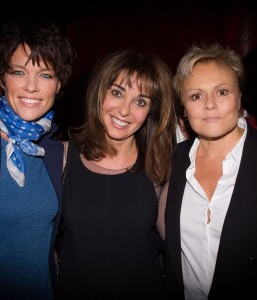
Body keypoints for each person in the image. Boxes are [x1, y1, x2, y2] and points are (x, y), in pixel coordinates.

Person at [0, 17, 75, 299]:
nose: (31, 87)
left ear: (59, 84)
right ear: (2, 77)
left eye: (46, 75)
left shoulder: (54, 151)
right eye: (19, 72)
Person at [56, 49, 177, 299]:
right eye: (117, 92)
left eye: (140, 101)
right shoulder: (62, 158)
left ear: (151, 111)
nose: (124, 110)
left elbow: (180, 244)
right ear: (100, 92)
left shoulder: (159, 166)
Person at [163, 42, 257, 300]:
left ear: (239, 97)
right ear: (183, 108)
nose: (209, 104)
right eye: (196, 96)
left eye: (221, 92)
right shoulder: (172, 161)